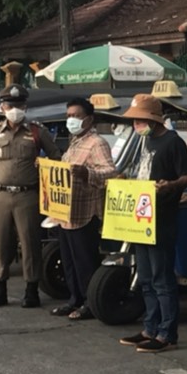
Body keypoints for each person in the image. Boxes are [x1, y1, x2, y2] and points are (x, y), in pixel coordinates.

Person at [115, 94, 187, 354]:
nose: (136, 124)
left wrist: (171, 185)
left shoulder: (172, 142)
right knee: (147, 279)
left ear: (153, 119)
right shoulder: (144, 140)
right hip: (141, 218)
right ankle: (150, 328)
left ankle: (167, 333)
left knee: (162, 279)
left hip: (162, 218)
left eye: (140, 119)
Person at [0, 83, 59, 309]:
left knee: (30, 243)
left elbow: (56, 159)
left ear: (25, 107)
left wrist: (44, 169)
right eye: (10, 106)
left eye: (19, 105)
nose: (14, 110)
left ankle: (31, 290)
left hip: (27, 194)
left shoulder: (37, 131)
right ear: (2, 107)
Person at [51, 97, 118, 321]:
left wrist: (87, 173)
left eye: (76, 116)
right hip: (65, 212)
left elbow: (109, 171)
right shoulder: (75, 142)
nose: (71, 120)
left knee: (85, 261)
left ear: (88, 119)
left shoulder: (96, 143)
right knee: (69, 261)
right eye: (69, 116)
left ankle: (90, 303)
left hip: (85, 212)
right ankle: (75, 299)